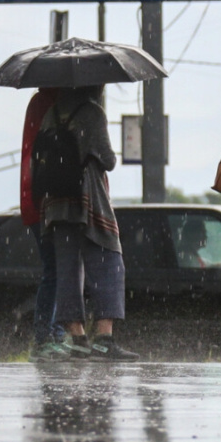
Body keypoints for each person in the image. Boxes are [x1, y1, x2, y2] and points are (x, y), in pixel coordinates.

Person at [40, 86, 137, 360]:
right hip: (87, 198)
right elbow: (108, 159)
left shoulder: (51, 114)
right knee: (108, 262)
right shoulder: (92, 112)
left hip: (56, 202)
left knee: (67, 270)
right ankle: (104, 339)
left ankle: (78, 339)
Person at [21, 87, 66, 360]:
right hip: (44, 203)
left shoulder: (41, 102)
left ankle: (52, 335)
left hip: (38, 200)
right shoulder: (49, 104)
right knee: (56, 270)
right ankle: (46, 337)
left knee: (57, 270)